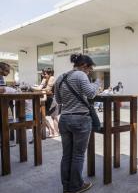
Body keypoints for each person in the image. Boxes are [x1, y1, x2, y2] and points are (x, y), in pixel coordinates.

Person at [55, 53, 100, 193]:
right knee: (78, 155)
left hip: (65, 119)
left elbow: (59, 100)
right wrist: (97, 82)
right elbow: (91, 94)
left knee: (66, 155)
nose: (90, 71)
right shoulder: (81, 75)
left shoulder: (61, 77)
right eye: (90, 68)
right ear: (84, 65)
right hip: (80, 119)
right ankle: (76, 186)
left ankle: (66, 187)